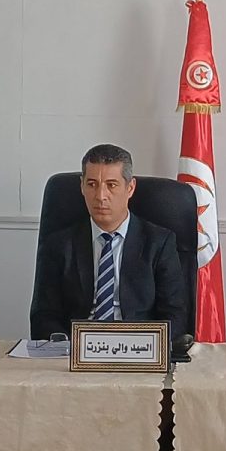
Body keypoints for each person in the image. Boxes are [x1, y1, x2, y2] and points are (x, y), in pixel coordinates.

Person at [29, 144, 187, 339]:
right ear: (82, 186)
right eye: (92, 184)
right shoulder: (59, 244)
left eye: (111, 185)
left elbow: (175, 315)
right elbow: (43, 315)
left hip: (138, 346)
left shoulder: (159, 243)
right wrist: (67, 346)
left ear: (130, 188)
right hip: (76, 347)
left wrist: (148, 346)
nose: (100, 196)